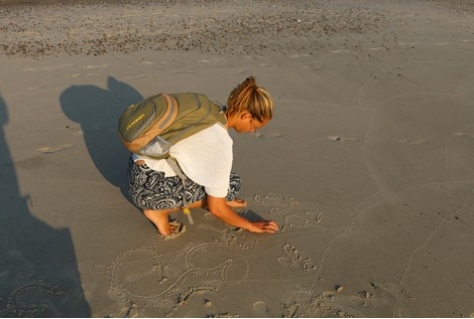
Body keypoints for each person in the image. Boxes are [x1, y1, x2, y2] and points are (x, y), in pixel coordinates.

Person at [127, 76, 279, 239]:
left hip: (135, 169)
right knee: (231, 186)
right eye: (254, 126)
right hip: (147, 193)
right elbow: (217, 209)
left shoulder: (210, 109)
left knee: (228, 183)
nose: (252, 131)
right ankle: (159, 211)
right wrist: (251, 225)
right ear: (246, 116)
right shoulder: (221, 144)